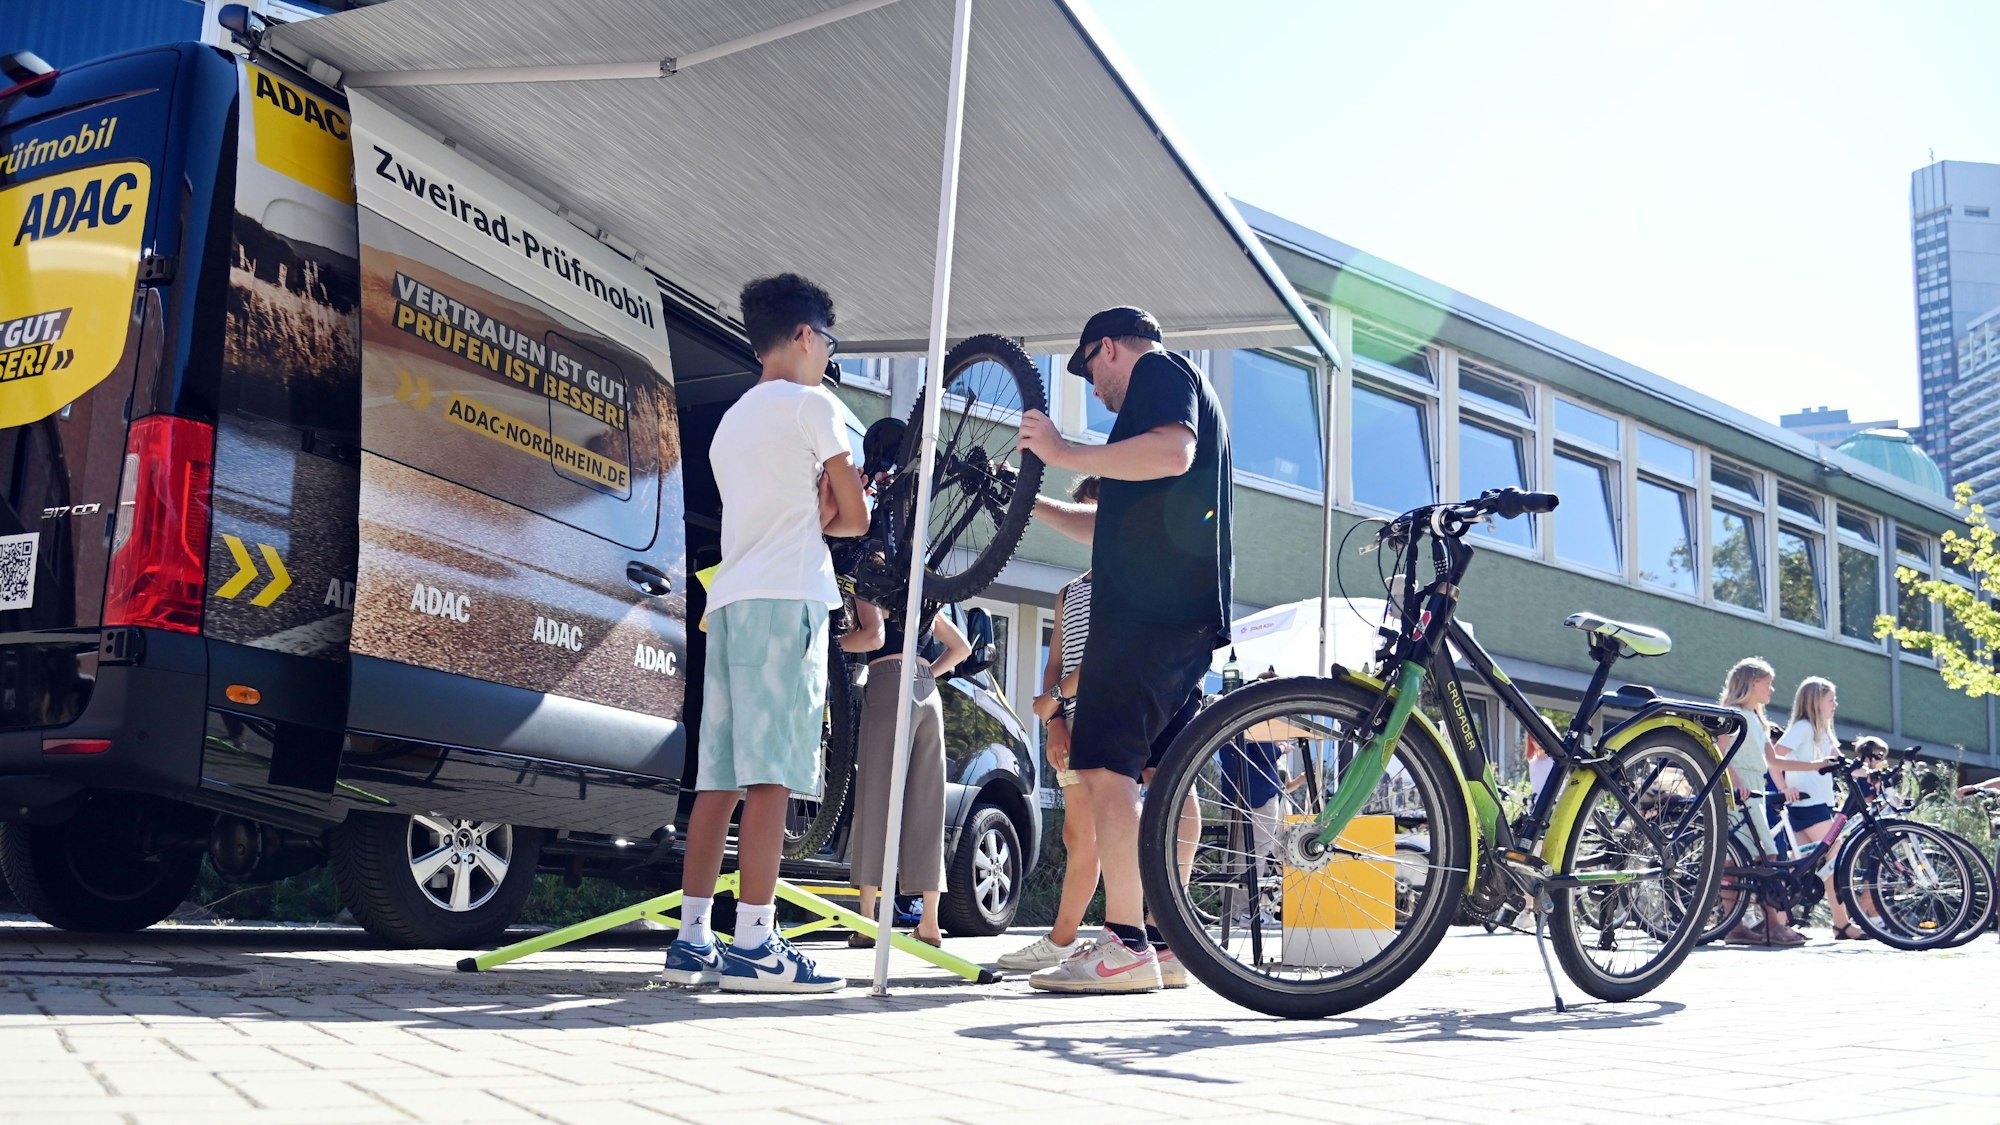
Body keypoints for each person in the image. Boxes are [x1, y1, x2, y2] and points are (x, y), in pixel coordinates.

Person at [661, 274, 870, 993]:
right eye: (829, 344)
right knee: (773, 771)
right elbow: (855, 519)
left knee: (718, 776)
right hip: (788, 598)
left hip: (731, 600)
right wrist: (830, 505)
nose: (828, 359)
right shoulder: (817, 406)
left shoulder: (730, 422)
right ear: (807, 336)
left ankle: (693, 936)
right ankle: (755, 939)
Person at [1015, 306, 1232, 994]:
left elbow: (1174, 450)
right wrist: (1030, 506)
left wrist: (1066, 452)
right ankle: (1164, 944)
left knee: (1105, 769)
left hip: (1145, 615)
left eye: (1089, 370)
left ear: (1108, 347)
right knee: (1163, 777)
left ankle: (1124, 943)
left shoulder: (1161, 372)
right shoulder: (1172, 398)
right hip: (1179, 612)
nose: (1096, 389)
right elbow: (1107, 523)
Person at [999, 477, 1103, 973]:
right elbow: (1055, 661)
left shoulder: (1130, 582)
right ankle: (1063, 939)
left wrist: (1058, 697)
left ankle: (1078, 937)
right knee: (1079, 836)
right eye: (1082, 517)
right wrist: (1056, 723)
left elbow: (1107, 657)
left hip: (1112, 719)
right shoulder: (1070, 592)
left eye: (1095, 516)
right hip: (1074, 724)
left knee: (1106, 832)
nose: (1087, 529)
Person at [846, 597, 970, 949]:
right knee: (929, 806)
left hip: (888, 684)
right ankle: (929, 921)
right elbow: (961, 648)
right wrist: (928, 672)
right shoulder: (923, 593)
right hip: (928, 693)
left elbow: (873, 638)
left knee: (876, 799)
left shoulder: (872, 582)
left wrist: (825, 641)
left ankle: (867, 920)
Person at [1715, 658, 1805, 946]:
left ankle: (1739, 927)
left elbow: (1774, 760)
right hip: (1738, 791)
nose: (1772, 689)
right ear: (1752, 683)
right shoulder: (1732, 715)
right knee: (1761, 856)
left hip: (1755, 791)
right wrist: (1737, 782)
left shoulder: (1757, 719)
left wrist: (1817, 765)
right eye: (1768, 683)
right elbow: (1720, 751)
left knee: (1751, 858)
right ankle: (1771, 925)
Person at [1774, 676, 1864, 940]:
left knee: (1798, 869)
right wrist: (1782, 787)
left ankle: (1780, 924)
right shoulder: (1803, 727)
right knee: (1836, 860)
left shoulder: (1823, 731)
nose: (1835, 704)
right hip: (1808, 806)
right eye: (1830, 699)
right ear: (1816, 702)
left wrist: (1869, 773)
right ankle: (1841, 924)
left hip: (1815, 806)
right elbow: (1774, 758)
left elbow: (1841, 762)